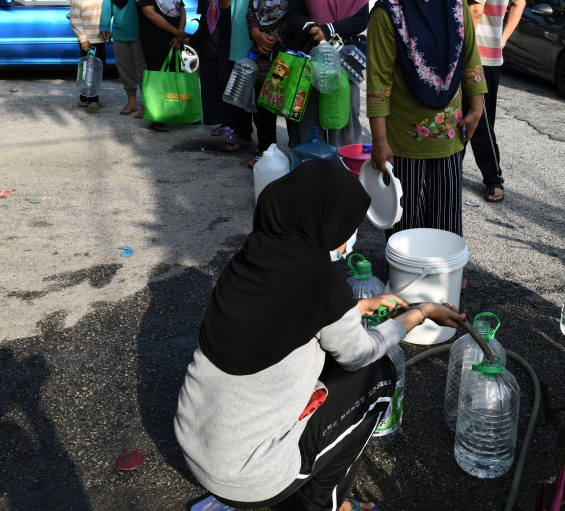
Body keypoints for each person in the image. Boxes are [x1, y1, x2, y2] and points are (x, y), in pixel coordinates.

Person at [175, 160, 466, 510]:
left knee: (328, 360)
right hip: (252, 477)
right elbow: (361, 353)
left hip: (197, 445)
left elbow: (288, 317)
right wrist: (421, 313)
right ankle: (322, 504)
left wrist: (357, 307)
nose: (349, 238)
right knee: (378, 374)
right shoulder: (320, 281)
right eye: (348, 227)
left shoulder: (252, 257)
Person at [367, 0, 487, 236]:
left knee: (446, 221)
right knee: (405, 224)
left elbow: (470, 57)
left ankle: (444, 265)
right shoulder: (387, 14)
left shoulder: (455, 2)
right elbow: (378, 83)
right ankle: (405, 268)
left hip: (449, 136)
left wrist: (476, 108)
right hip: (403, 140)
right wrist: (380, 142)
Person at [285, 0, 374, 148]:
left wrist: (328, 29)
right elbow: (293, 14)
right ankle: (311, 163)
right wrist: (311, 28)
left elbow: (361, 20)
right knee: (309, 117)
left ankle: (343, 163)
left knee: (341, 115)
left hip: (343, 58)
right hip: (311, 56)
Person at [462, 0, 526, 203]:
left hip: (475, 57)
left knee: (479, 119)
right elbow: (520, 3)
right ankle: (451, 169)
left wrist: (460, 50)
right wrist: (501, 40)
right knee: (471, 115)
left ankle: (493, 179)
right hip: (491, 55)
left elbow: (474, 10)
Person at [244, 0, 303, 160]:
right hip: (262, 51)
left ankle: (296, 156)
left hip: (288, 54)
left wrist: (275, 37)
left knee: (290, 106)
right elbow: (251, 11)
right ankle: (266, 152)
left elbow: (299, 15)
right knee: (263, 105)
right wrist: (256, 34)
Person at [222, 0, 272, 154]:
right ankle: (244, 136)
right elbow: (224, 4)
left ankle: (265, 147)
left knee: (260, 103)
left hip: (256, 51)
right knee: (240, 98)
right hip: (237, 49)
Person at [133, 0, 186, 133]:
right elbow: (150, 14)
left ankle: (174, 113)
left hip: (174, 38)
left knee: (174, 76)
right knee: (158, 79)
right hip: (154, 39)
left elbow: (181, 8)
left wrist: (179, 33)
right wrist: (176, 32)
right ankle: (156, 118)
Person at [195, 0, 238, 138]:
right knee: (211, 82)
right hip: (210, 37)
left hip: (229, 39)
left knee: (227, 81)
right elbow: (203, 8)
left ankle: (233, 123)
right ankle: (221, 121)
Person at [100, 0, 147, 117]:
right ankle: (132, 102)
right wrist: (105, 24)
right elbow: (107, 1)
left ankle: (147, 104)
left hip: (140, 33)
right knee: (125, 69)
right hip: (120, 32)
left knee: (143, 70)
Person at [70, 0, 105, 114]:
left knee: (98, 69)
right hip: (88, 42)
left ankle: (85, 97)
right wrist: (82, 38)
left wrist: (106, 30)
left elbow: (102, 14)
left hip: (99, 39)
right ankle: (92, 100)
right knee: (89, 70)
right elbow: (75, 19)